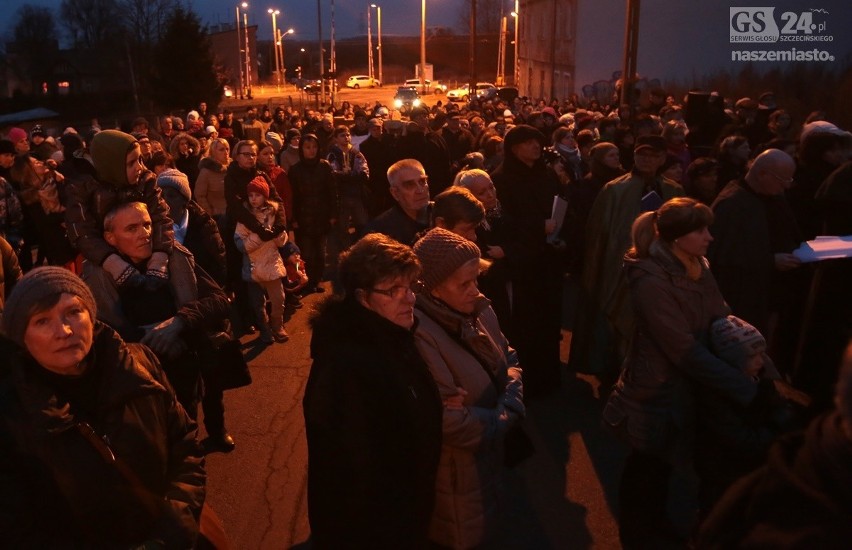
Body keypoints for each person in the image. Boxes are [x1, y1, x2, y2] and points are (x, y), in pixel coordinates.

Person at [0, 267, 206, 547]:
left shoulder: (140, 365)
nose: (64, 330)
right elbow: (17, 525)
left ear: (92, 314)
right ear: (21, 338)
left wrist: (173, 530)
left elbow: (185, 447)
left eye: (73, 312)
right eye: (42, 321)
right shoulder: (11, 415)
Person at [602, 197, 759, 549]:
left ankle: (657, 528)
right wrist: (744, 386)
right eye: (700, 230)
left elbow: (721, 314)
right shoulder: (650, 278)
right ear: (676, 238)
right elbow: (682, 349)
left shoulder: (697, 263)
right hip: (655, 392)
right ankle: (640, 536)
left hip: (686, 388)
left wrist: (754, 354)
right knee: (646, 470)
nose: (709, 237)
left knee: (663, 468)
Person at [303, 233, 442, 549]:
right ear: (362, 297)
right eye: (393, 290)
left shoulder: (392, 335)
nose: (409, 299)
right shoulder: (345, 366)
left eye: (410, 287)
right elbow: (348, 473)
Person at [411, 227, 524, 549]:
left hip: (488, 456)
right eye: (464, 283)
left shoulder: (479, 309)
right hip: (456, 476)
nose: (475, 290)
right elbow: (448, 423)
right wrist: (506, 414)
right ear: (431, 288)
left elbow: (509, 355)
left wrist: (507, 405)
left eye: (477, 279)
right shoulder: (420, 335)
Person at [82, 202, 231, 443]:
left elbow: (219, 300)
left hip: (186, 369)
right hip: (139, 382)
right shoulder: (99, 277)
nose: (145, 234)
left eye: (148, 224)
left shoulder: (174, 258)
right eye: (132, 228)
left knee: (186, 438)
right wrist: (151, 343)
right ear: (110, 238)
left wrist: (179, 323)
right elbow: (100, 331)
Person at [698, 341, 852, 549]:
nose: (761, 361)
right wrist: (777, 421)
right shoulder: (779, 526)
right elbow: (742, 439)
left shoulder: (797, 456)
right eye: (753, 357)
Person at [570, 134, 683, 380]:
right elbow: (597, 235)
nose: (645, 159)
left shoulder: (673, 190)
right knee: (616, 320)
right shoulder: (615, 190)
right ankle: (612, 372)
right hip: (619, 269)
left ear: (662, 158)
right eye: (641, 154)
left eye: (652, 155)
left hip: (660, 269)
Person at [708, 149, 803, 374]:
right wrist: (770, 260)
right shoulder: (732, 203)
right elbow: (723, 254)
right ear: (762, 174)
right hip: (744, 295)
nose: (787, 186)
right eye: (783, 180)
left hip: (770, 290)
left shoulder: (771, 197)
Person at [491, 124, 563, 397]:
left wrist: (559, 231)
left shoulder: (546, 174)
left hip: (548, 259)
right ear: (513, 147)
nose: (536, 146)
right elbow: (503, 222)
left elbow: (560, 204)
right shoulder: (502, 179)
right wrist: (537, 227)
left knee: (549, 323)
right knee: (526, 325)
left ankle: (549, 379)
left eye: (538, 141)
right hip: (523, 265)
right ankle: (526, 383)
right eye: (529, 141)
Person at [65, 129, 174, 291]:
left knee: (178, 255)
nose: (140, 167)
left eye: (140, 160)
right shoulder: (82, 188)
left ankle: (185, 307)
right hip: (107, 254)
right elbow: (82, 232)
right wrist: (112, 262)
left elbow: (161, 216)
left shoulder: (146, 179)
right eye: (131, 163)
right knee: (95, 274)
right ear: (112, 164)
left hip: (146, 246)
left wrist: (159, 256)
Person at [234, 176, 290, 344]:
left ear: (265, 196)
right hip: (253, 267)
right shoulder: (245, 217)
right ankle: (265, 330)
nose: (253, 199)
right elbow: (239, 243)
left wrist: (278, 235)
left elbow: (281, 241)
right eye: (251, 196)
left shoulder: (273, 214)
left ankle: (277, 325)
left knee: (279, 299)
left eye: (257, 195)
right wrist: (259, 237)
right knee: (258, 304)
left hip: (272, 264)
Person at [289, 134, 336, 293]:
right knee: (306, 252)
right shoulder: (295, 170)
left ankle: (318, 279)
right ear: (301, 149)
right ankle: (306, 280)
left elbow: (332, 192)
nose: (311, 151)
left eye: (314, 147)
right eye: (307, 147)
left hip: (321, 215)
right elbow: (293, 196)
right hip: (304, 217)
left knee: (321, 252)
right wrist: (293, 218)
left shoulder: (324, 166)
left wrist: (333, 215)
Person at [366, 159, 433, 246]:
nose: (420, 190)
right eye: (410, 185)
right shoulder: (380, 232)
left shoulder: (444, 212)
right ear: (395, 193)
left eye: (422, 181)